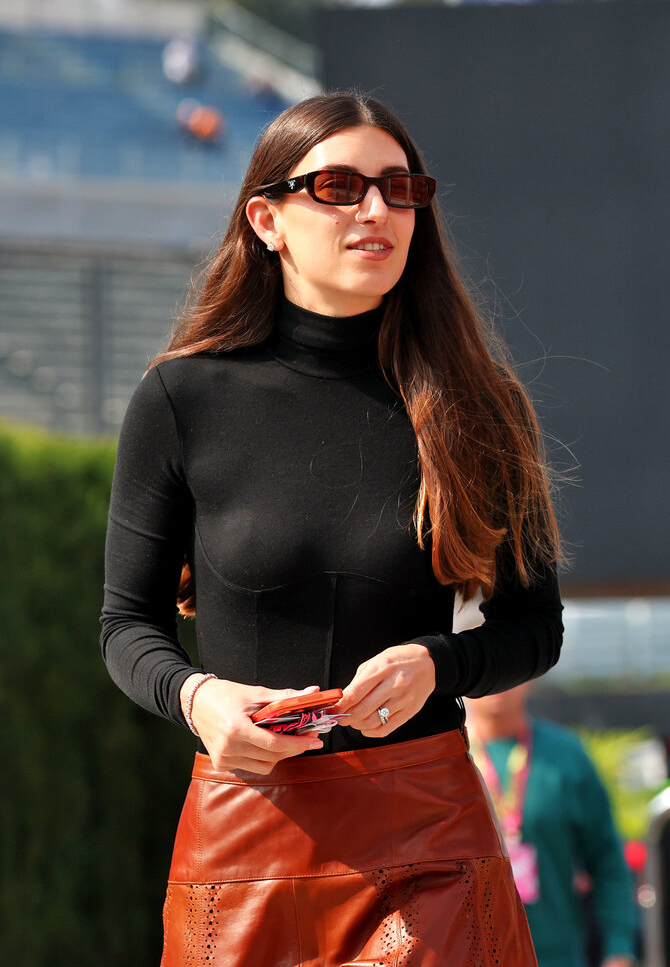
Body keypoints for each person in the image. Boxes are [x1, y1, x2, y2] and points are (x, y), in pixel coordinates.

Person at [100, 91, 566, 965]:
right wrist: (198, 699)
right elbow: (126, 626)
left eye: (400, 189)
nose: (378, 211)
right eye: (340, 187)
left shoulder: (480, 406)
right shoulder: (180, 399)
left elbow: (535, 628)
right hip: (243, 831)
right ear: (266, 218)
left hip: (428, 829)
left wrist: (439, 663)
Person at [465, 681, 641, 967]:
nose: (496, 681)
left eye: (506, 664)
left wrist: (619, 948)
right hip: (466, 956)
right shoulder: (443, 760)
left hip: (557, 955)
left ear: (529, 674)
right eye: (484, 668)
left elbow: (608, 859)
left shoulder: (566, 755)